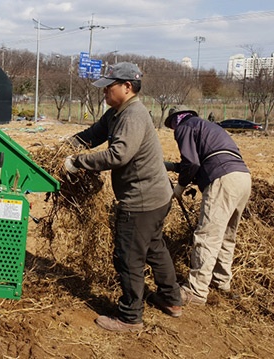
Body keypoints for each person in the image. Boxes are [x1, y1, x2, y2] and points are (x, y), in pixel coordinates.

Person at [63, 62, 182, 332]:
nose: (104, 91)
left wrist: (78, 163)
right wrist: (64, 148)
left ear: (127, 87)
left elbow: (119, 155)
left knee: (128, 257)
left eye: (109, 86)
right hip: (156, 195)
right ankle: (171, 299)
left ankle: (130, 317)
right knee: (154, 247)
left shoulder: (133, 115)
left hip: (141, 200)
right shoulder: (117, 112)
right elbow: (92, 135)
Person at [163, 107, 252, 305]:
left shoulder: (184, 127)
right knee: (227, 235)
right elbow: (206, 158)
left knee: (207, 235)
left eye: (171, 127)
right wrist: (173, 166)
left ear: (175, 121)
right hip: (242, 177)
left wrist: (180, 186)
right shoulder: (206, 126)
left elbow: (192, 163)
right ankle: (221, 282)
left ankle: (197, 290)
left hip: (222, 179)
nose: (173, 131)